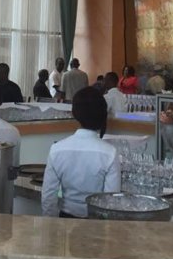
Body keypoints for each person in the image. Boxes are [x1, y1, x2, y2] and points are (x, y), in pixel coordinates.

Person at [41, 87, 120, 218]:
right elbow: (110, 202)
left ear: (74, 113)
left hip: (65, 220)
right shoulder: (110, 153)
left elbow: (48, 196)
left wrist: (51, 225)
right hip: (96, 222)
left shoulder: (57, 149)